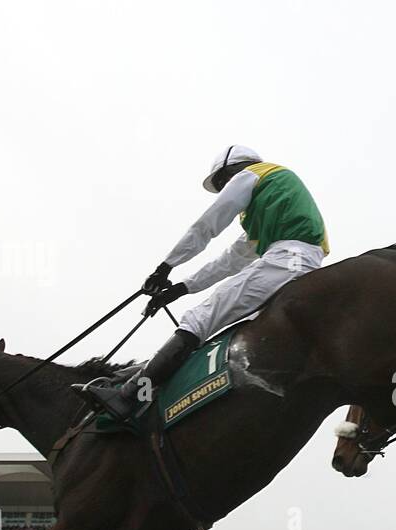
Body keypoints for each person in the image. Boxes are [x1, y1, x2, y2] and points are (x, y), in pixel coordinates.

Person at [76, 144, 329, 422]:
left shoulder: (253, 175)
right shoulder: (268, 208)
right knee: (225, 327)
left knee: (200, 318)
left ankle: (129, 397)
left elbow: (207, 225)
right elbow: (229, 261)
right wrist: (180, 288)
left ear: (234, 169)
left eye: (222, 182)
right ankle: (147, 375)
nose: (224, 189)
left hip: (289, 258)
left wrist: (166, 266)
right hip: (295, 260)